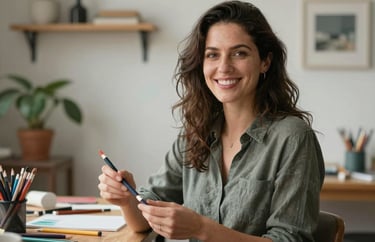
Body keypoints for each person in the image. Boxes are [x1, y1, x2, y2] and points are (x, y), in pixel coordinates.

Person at [98, 1, 325, 241]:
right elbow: (144, 223)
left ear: (265, 61)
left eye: (239, 53)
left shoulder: (293, 138)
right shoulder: (195, 134)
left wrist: (201, 228)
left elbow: (290, 239)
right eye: (212, 55)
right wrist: (126, 199)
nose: (224, 67)